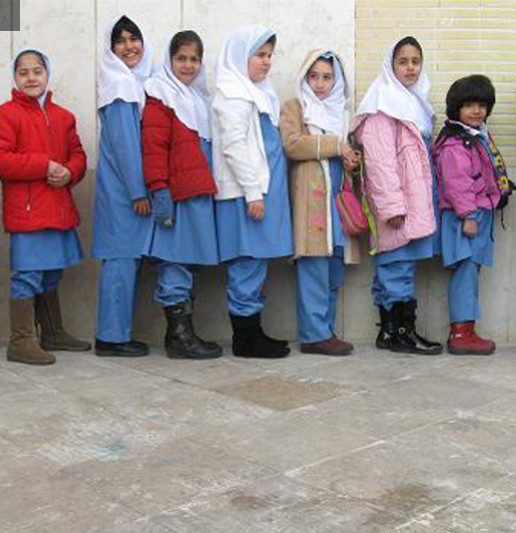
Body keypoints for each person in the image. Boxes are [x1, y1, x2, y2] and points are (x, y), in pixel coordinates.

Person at [0, 49, 90, 365]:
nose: (31, 77)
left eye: (38, 71)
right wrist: (44, 165)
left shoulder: (64, 116)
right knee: (27, 275)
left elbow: (79, 154)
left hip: (57, 208)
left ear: (47, 75)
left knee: (51, 274)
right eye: (23, 72)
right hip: (28, 211)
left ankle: (52, 333)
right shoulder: (4, 114)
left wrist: (71, 171)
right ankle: (20, 341)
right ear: (14, 78)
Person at [352, 37, 442, 355]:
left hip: (413, 202)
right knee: (397, 264)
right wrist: (391, 205)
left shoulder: (415, 102)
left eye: (415, 61)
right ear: (391, 65)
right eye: (403, 61)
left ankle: (392, 331)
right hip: (397, 205)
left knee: (400, 264)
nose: (410, 68)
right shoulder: (382, 106)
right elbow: (379, 163)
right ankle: (401, 333)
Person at [212, 25, 293, 359]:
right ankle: (245, 339)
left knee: (257, 263)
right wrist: (252, 193)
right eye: (259, 55)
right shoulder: (233, 93)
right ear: (240, 56)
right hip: (249, 195)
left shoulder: (258, 91)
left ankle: (253, 331)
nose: (266, 62)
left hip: (262, 193)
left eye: (269, 55)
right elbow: (233, 147)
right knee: (248, 262)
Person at [141, 31, 222, 359]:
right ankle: (179, 337)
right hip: (178, 195)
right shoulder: (161, 95)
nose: (188, 65)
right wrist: (159, 190)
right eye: (181, 58)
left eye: (194, 59)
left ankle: (184, 334)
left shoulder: (199, 99)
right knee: (175, 261)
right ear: (169, 59)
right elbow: (153, 148)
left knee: (189, 262)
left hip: (198, 193)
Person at [279, 49, 361, 356]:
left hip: (338, 203)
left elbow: (348, 151)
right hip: (312, 203)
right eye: (313, 76)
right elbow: (292, 145)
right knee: (313, 267)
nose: (320, 84)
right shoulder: (295, 108)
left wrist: (351, 158)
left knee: (334, 268)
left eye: (327, 77)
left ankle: (325, 330)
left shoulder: (342, 113)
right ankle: (314, 334)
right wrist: (336, 145)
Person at [92, 15, 153, 357]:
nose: (129, 46)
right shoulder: (119, 86)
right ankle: (111, 338)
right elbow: (126, 145)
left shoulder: (134, 82)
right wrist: (137, 192)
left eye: (135, 38)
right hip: (124, 191)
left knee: (126, 260)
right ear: (111, 49)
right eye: (121, 40)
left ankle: (116, 333)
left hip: (127, 188)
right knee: (120, 260)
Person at [433, 75, 504, 355]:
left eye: (482, 105)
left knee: (471, 272)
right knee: (465, 271)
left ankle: (468, 329)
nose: (477, 111)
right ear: (456, 109)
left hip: (479, 215)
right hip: (466, 218)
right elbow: (457, 183)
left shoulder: (477, 136)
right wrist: (469, 216)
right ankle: (460, 333)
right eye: (469, 105)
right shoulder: (455, 144)